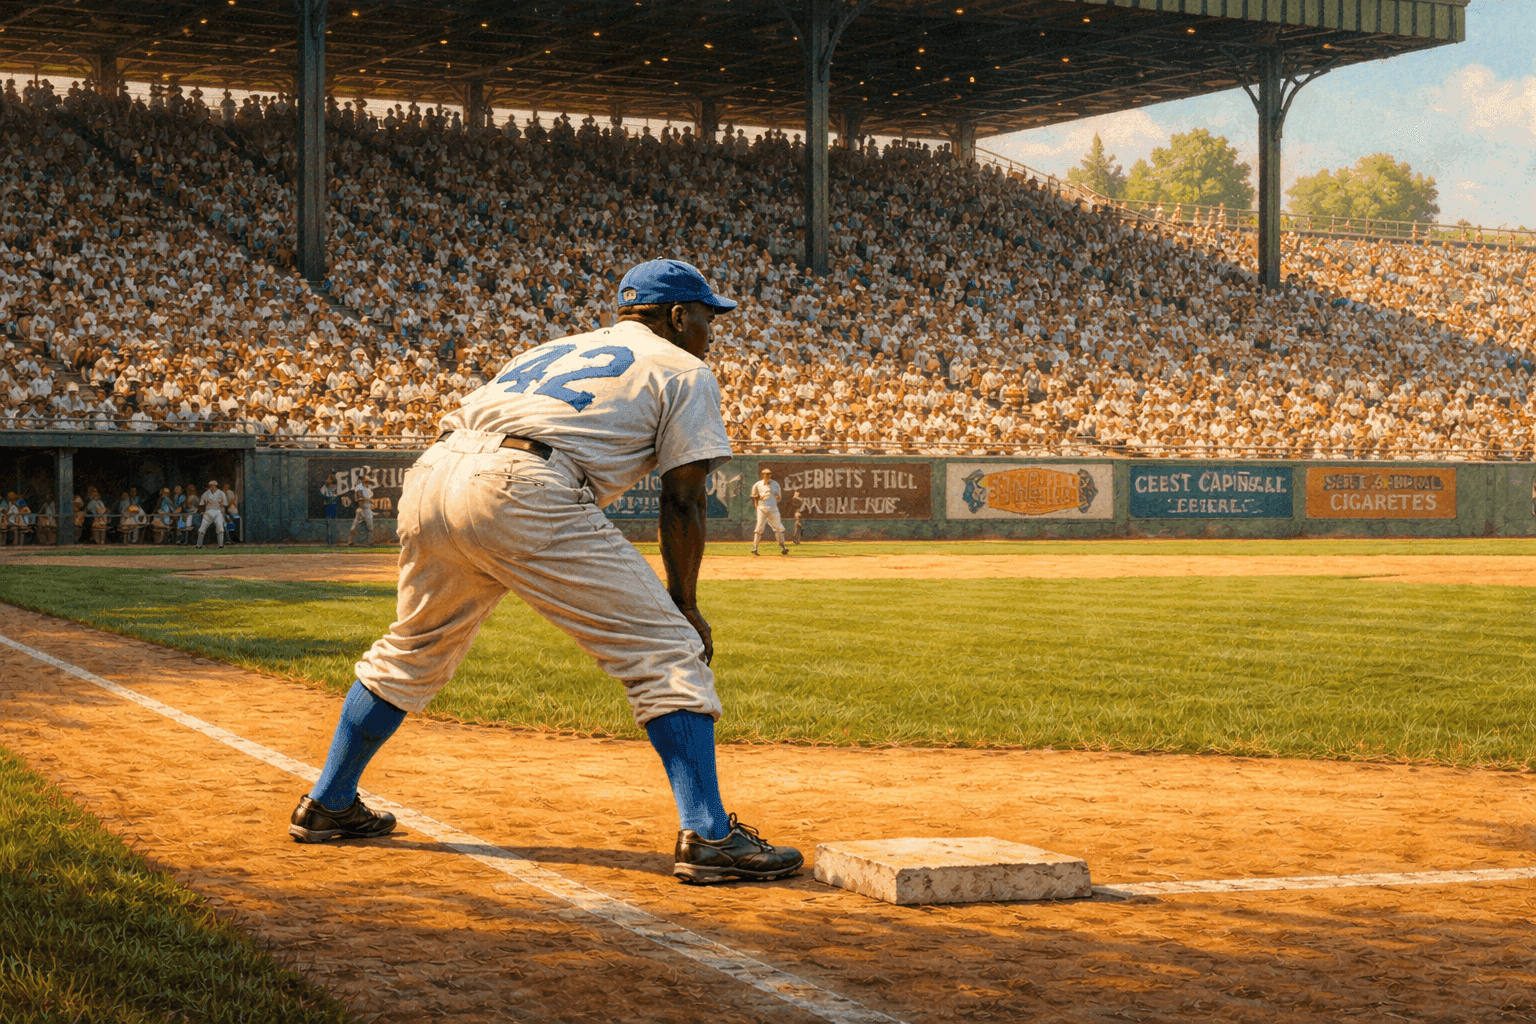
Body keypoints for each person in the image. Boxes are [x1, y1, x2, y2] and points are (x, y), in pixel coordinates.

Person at [289, 258, 803, 885]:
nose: (710, 330)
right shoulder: (684, 367)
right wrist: (685, 604)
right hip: (523, 485)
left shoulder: (557, 346)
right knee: (668, 646)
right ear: (676, 315)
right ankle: (710, 834)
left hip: (433, 473)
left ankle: (329, 803)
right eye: (704, 316)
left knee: (416, 645)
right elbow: (684, 496)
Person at [749, 467, 789, 556]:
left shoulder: (775, 484)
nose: (767, 476)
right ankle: (755, 548)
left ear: (770, 475)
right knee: (758, 528)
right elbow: (753, 496)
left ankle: (784, 547)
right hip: (761, 509)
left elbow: (779, 497)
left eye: (768, 474)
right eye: (765, 474)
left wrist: (774, 496)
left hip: (773, 509)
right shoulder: (757, 484)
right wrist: (758, 498)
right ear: (762, 475)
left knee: (779, 528)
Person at [196, 478, 228, 549]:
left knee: (220, 528)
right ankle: (198, 545)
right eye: (211, 485)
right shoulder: (206, 493)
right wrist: (202, 511)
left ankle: (221, 545)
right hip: (208, 512)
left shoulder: (221, 493)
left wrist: (221, 503)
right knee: (201, 529)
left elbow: (225, 504)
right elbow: (201, 504)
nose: (212, 487)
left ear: (216, 485)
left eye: (213, 485)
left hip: (217, 511)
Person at [346, 472, 375, 546]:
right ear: (362, 480)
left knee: (370, 526)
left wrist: (369, 500)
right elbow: (360, 501)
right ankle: (350, 541)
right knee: (355, 526)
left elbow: (369, 498)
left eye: (365, 477)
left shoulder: (368, 487)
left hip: (368, 509)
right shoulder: (359, 487)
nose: (365, 479)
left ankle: (370, 542)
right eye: (363, 478)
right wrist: (368, 499)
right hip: (361, 509)